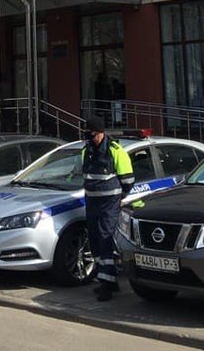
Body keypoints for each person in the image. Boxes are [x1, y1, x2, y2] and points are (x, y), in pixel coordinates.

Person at [81, 115, 133, 301]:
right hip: (92, 201)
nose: (90, 138)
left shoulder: (115, 150)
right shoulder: (86, 150)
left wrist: (120, 197)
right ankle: (107, 279)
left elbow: (128, 180)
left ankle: (107, 286)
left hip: (109, 202)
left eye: (92, 134)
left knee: (105, 238)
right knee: (94, 239)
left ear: (101, 133)